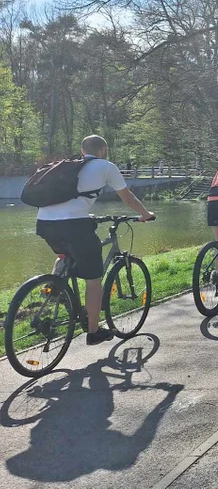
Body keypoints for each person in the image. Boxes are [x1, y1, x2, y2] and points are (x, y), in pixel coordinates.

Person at [35, 135, 155, 345]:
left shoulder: (69, 166)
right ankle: (93, 331)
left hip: (44, 223)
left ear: (82, 151)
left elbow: (68, 200)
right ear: (102, 150)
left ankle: (56, 286)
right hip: (74, 225)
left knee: (65, 253)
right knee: (93, 280)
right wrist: (145, 213)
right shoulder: (105, 166)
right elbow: (127, 197)